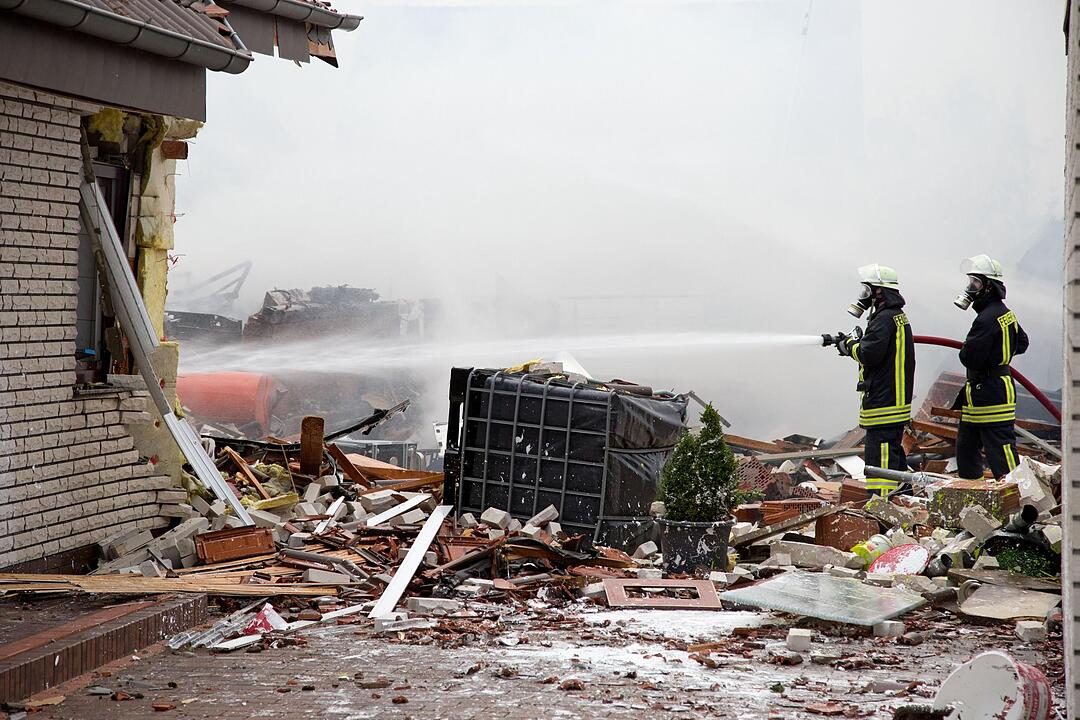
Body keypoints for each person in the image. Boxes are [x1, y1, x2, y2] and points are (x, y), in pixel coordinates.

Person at [831, 264, 916, 495]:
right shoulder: (895, 317)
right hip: (893, 401)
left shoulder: (884, 319)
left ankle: (880, 504)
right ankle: (904, 496)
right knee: (892, 453)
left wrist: (849, 346)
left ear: (878, 291)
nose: (863, 295)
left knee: (880, 459)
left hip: (883, 402)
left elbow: (869, 354)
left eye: (866, 289)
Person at [952, 254, 1029, 479]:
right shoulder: (1005, 314)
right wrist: (999, 354)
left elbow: (969, 358)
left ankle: (1019, 500)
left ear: (988, 287)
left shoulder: (986, 319)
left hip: (990, 394)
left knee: (1000, 450)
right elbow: (1022, 343)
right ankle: (972, 497)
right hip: (984, 393)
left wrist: (982, 353)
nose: (970, 287)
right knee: (966, 448)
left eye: (975, 283)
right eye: (970, 282)